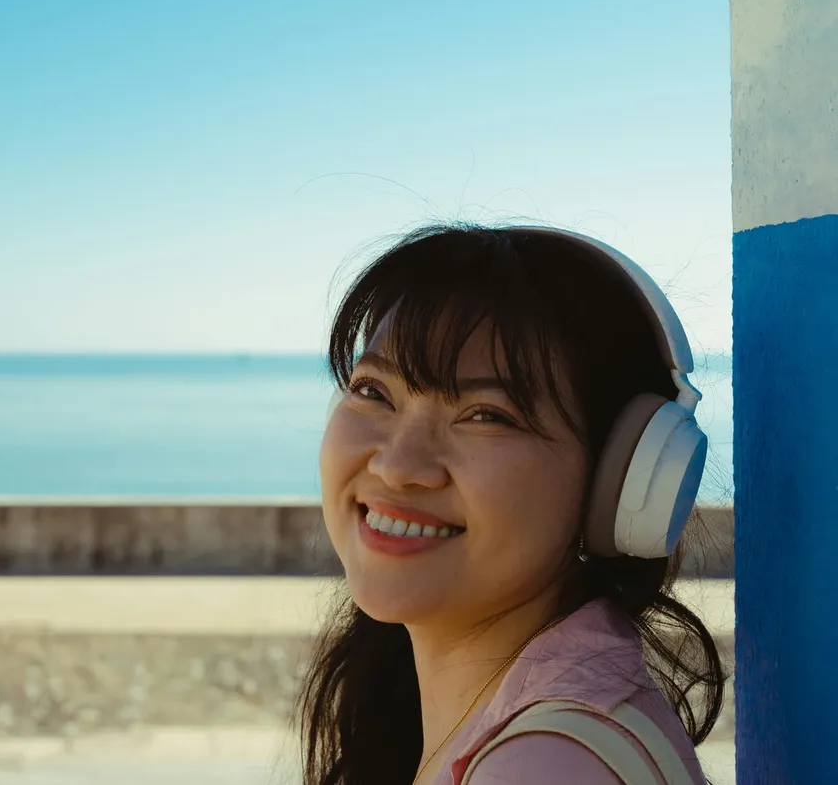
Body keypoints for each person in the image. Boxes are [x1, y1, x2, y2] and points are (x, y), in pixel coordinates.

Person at [297, 223, 726, 784]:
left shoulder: (544, 766)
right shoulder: (506, 724)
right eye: (373, 391)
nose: (398, 466)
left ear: (619, 480)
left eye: (486, 416)